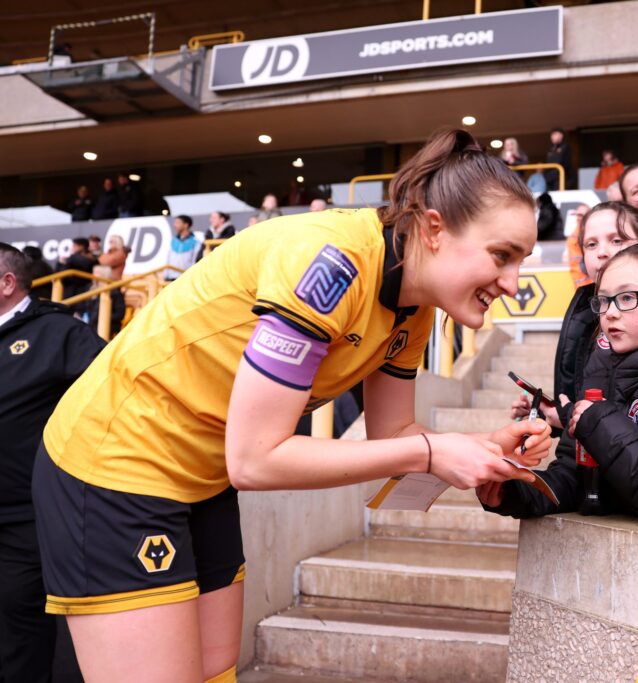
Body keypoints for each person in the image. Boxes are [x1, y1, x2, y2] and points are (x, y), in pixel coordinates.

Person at [32, 128, 552, 683]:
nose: (513, 282)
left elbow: (394, 432)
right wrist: (428, 453)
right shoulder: (328, 264)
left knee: (214, 670)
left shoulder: (416, 304)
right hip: (115, 462)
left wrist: (477, 448)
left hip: (201, 477)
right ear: (433, 229)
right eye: (502, 255)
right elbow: (256, 460)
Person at [480, 243, 638, 521]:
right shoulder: (600, 367)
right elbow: (575, 477)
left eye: (627, 298)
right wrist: (517, 493)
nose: (610, 312)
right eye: (603, 300)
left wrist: (599, 421)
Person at [0, 243, 102, 683]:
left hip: (25, 517)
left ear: (7, 283)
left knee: (20, 626)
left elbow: (111, 394)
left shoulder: (59, 332)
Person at [511, 202, 638, 434]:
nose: (602, 252)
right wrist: (548, 415)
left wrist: (567, 416)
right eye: (591, 244)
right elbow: (582, 400)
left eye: (617, 240)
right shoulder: (583, 312)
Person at [166, 215, 202, 280]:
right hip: (171, 279)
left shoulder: (196, 242)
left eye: (178, 223)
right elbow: (168, 259)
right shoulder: (172, 241)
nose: (175, 225)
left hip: (186, 278)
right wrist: (166, 276)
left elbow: (195, 261)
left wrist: (191, 276)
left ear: (186, 225)